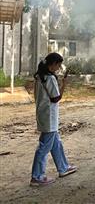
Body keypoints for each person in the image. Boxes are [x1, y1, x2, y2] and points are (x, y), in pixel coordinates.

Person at [30, 53, 77, 186]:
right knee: (44, 147)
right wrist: (63, 84)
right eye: (58, 64)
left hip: (43, 114)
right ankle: (37, 176)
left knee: (56, 143)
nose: (59, 67)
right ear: (53, 64)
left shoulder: (39, 77)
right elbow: (55, 98)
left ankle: (63, 167)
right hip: (49, 117)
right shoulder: (49, 79)